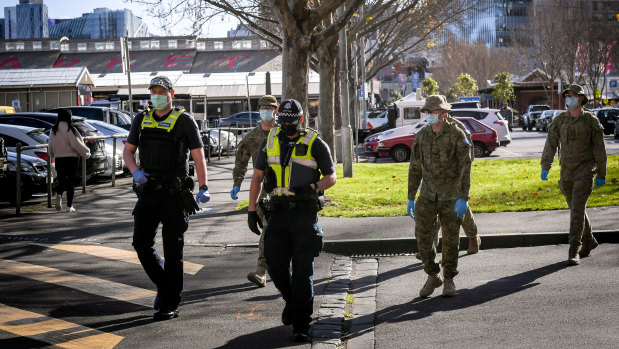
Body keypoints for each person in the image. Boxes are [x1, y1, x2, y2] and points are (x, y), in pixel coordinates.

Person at [247, 99, 336, 342]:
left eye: (292, 121)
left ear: (301, 119)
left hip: (304, 215)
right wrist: (252, 209)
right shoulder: (270, 141)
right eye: (283, 121)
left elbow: (332, 176)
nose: (287, 126)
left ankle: (301, 325)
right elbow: (257, 176)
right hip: (277, 214)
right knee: (275, 266)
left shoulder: (315, 143)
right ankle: (292, 301)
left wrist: (314, 187)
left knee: (302, 273)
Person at [123, 76, 210, 321]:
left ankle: (169, 302)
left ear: (172, 93)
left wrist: (203, 186)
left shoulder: (184, 121)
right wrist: (136, 172)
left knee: (173, 252)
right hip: (148, 191)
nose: (158, 95)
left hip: (174, 194)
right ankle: (166, 288)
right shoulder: (141, 119)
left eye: (162, 91)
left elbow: (198, 155)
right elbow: (128, 151)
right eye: (154, 91)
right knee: (141, 244)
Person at [407, 95, 472, 297]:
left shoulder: (455, 133)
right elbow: (415, 167)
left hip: (451, 194)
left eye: (432, 112)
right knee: (423, 237)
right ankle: (433, 275)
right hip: (427, 194)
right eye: (426, 112)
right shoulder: (422, 135)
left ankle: (449, 279)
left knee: (451, 239)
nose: (428, 116)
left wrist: (463, 196)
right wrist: (411, 196)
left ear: (443, 114)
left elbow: (465, 166)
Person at [540, 84, 606, 266]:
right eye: (567, 95)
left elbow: (600, 149)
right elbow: (550, 144)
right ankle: (589, 241)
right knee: (577, 210)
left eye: (573, 96)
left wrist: (602, 172)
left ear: (581, 99)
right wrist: (545, 165)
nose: (569, 99)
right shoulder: (560, 120)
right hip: (566, 173)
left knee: (577, 210)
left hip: (585, 171)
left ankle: (573, 250)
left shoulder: (591, 121)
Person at [414, 115, 481, 259]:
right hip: (433, 180)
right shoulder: (428, 130)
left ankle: (473, 237)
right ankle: (430, 246)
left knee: (461, 212)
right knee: (433, 212)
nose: (429, 114)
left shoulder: (457, 128)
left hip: (453, 180)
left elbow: (467, 155)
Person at [230, 95, 278, 287]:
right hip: (263, 190)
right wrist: (236, 183)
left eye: (270, 108)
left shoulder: (284, 133)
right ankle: (261, 271)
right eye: (263, 108)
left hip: (286, 187)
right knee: (267, 228)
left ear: (276, 110)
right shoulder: (251, 137)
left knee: (283, 229)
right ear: (258, 110)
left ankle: (287, 265)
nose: (267, 111)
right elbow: (240, 162)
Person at [48, 108, 91, 212]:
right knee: (70, 182)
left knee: (61, 179)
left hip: (59, 158)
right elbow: (76, 144)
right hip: (71, 158)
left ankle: (59, 194)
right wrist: (87, 152)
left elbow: (50, 145)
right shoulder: (70, 129)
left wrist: (52, 154)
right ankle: (69, 206)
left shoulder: (53, 129)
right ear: (69, 117)